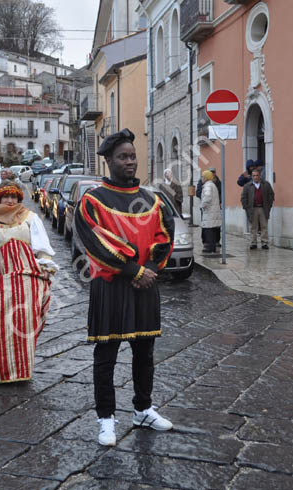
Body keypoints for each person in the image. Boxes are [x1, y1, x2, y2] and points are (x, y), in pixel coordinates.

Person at [74, 128, 175, 447]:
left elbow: (165, 234)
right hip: (110, 286)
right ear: (108, 161)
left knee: (144, 353)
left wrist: (152, 269)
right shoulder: (92, 200)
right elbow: (96, 241)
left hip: (145, 284)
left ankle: (143, 409)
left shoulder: (152, 198)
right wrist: (134, 269)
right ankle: (106, 419)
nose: (130, 162)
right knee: (106, 356)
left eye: (132, 156)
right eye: (123, 157)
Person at [0, 181, 57, 384]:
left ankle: (21, 369)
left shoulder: (30, 218)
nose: (10, 200)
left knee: (24, 325)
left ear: (19, 199)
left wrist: (47, 267)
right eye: (5, 196)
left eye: (13, 197)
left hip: (27, 281)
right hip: (0, 280)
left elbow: (41, 248)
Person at [241, 168, 275, 250]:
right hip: (252, 209)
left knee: (264, 226)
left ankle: (264, 243)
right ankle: (253, 243)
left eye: (257, 175)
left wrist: (269, 205)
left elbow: (271, 195)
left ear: (260, 176)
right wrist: (246, 207)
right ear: (252, 176)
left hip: (263, 208)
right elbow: (243, 197)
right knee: (253, 227)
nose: (255, 177)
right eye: (254, 175)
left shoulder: (266, 184)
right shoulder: (247, 186)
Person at [200, 170, 221, 253]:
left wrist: (202, 205)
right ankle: (212, 247)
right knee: (212, 230)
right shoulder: (212, 185)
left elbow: (207, 197)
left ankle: (210, 247)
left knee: (209, 231)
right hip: (213, 211)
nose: (201, 178)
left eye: (202, 176)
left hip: (209, 211)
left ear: (206, 177)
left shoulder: (208, 186)